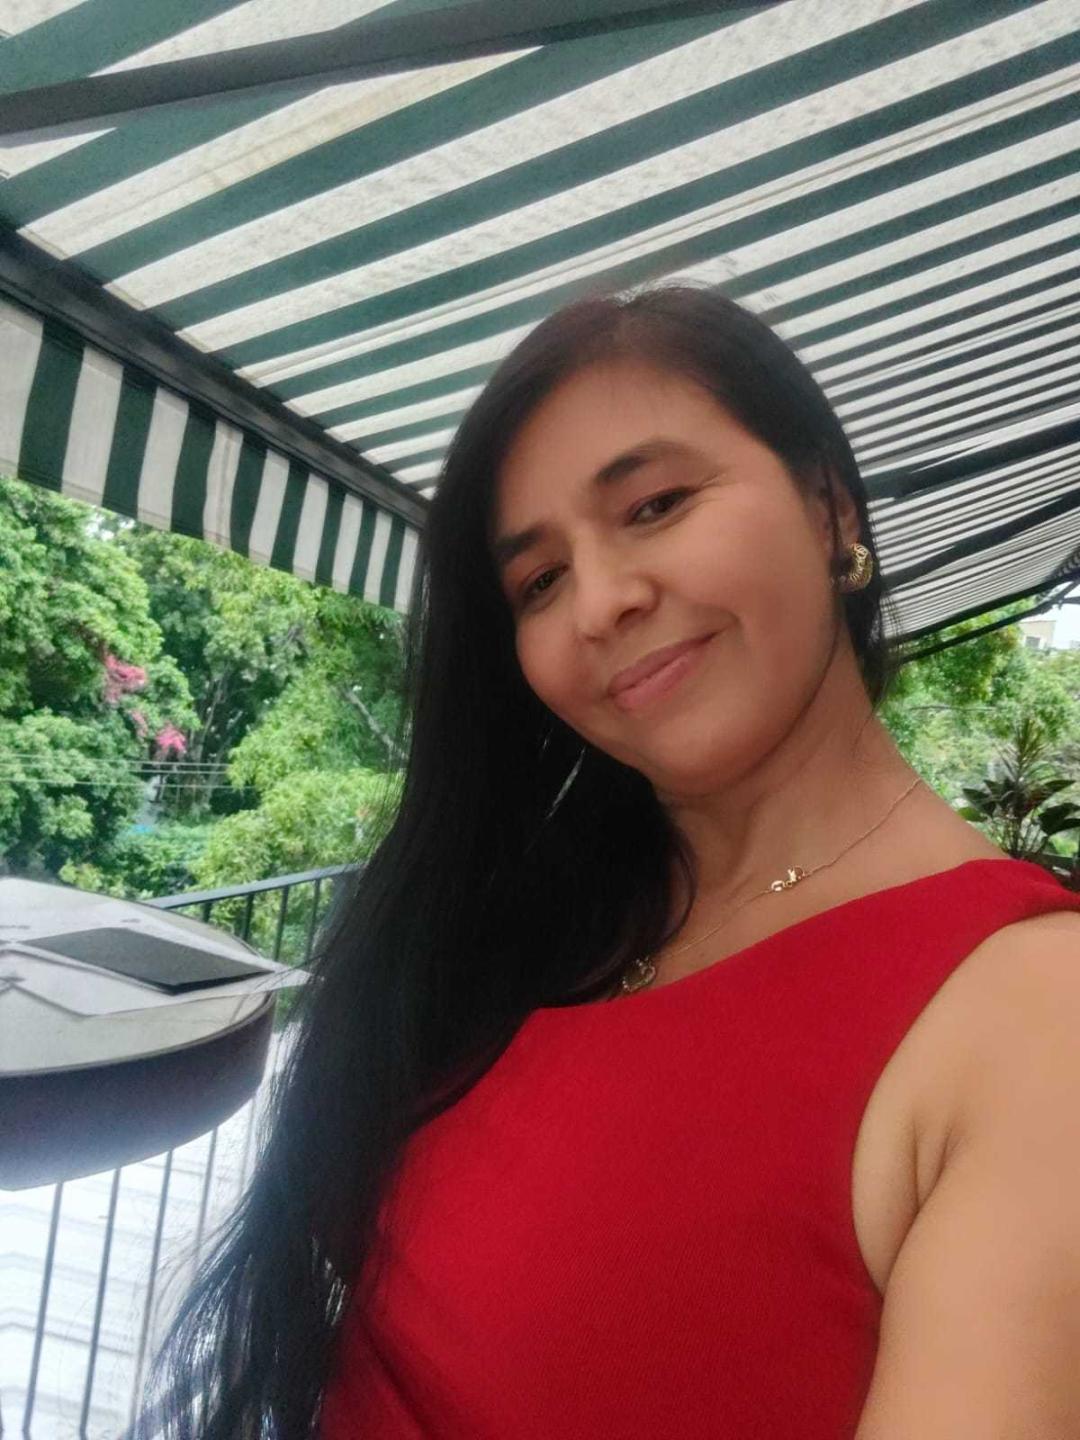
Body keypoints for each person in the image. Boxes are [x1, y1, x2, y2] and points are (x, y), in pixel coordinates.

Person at [140, 285, 1080, 1439]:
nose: (600, 604)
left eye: (655, 505)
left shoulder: (1036, 1016)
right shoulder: (535, 918)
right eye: (538, 582)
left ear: (831, 508)